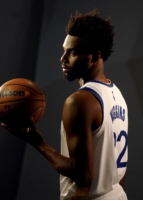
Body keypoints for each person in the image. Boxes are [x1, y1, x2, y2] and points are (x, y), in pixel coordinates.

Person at [1, 9, 128, 200]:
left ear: (95, 55)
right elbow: (119, 170)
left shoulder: (79, 101)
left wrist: (37, 142)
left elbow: (82, 175)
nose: (63, 59)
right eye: (64, 51)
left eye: (73, 52)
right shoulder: (116, 94)